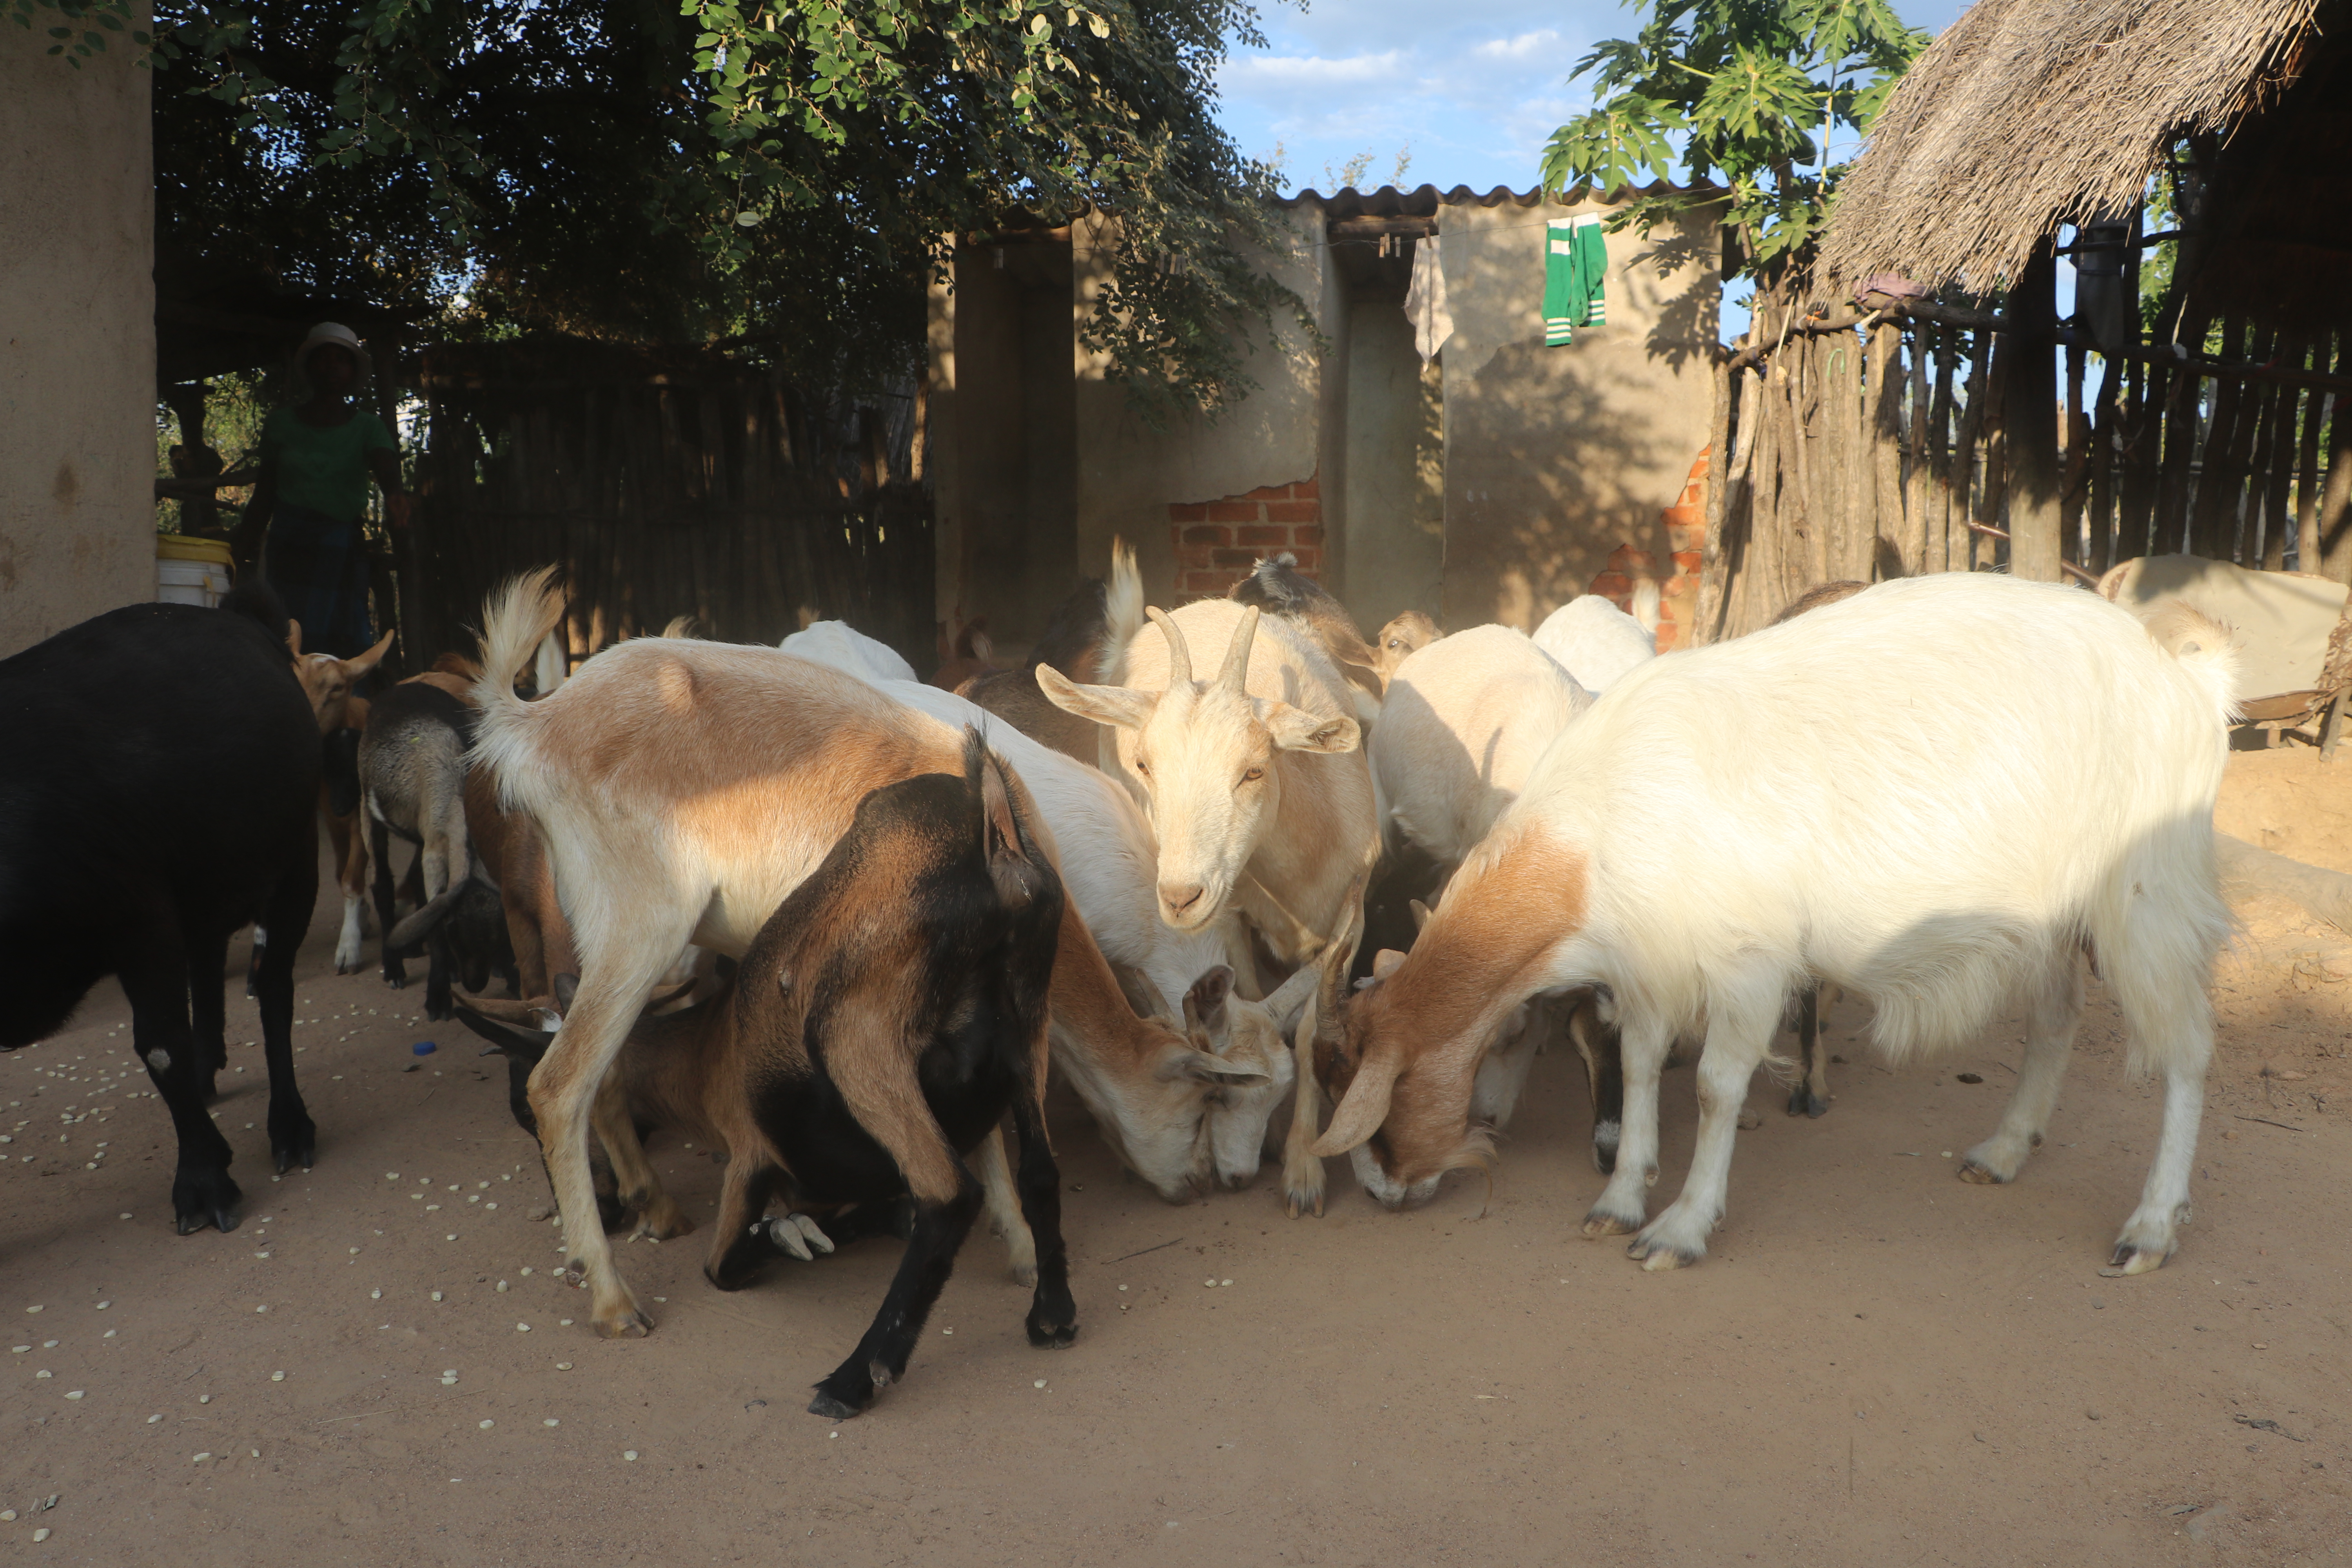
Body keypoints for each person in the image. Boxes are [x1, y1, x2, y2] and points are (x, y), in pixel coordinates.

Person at [234, 322, 412, 656]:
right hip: (289, 546)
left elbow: (387, 469)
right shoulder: (281, 425)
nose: (331, 366)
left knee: (345, 636)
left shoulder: (368, 428)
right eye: (323, 359)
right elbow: (265, 493)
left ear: (352, 371)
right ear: (309, 368)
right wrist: (240, 548)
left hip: (339, 547)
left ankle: (345, 705)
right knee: (284, 636)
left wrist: (396, 496)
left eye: (340, 360)